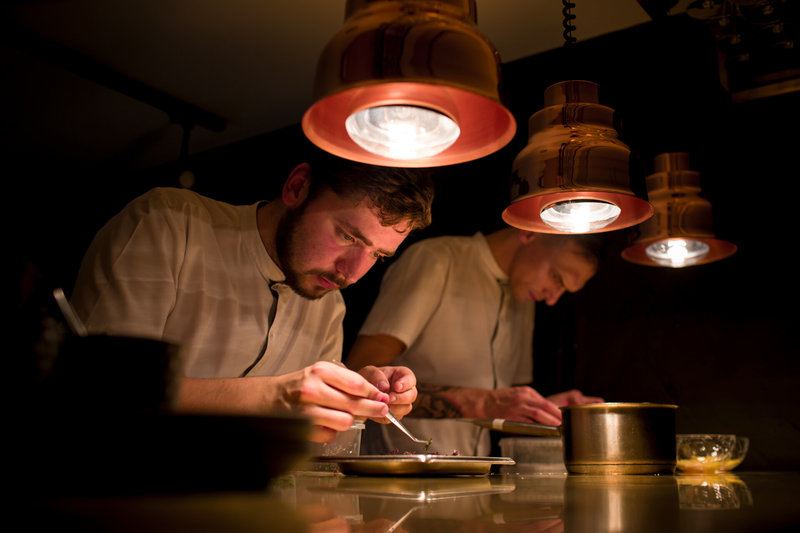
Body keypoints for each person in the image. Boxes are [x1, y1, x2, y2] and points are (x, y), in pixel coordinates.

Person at [69, 149, 435, 443]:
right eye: (348, 237)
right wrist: (279, 395)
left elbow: (309, 441)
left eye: (376, 255)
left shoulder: (329, 307)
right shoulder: (169, 223)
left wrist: (352, 399)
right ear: (297, 187)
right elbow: (99, 393)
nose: (351, 273)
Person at [346, 227, 605, 456]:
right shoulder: (438, 260)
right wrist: (483, 403)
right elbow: (359, 376)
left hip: (473, 475)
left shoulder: (524, 294)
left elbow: (501, 401)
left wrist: (543, 408)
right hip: (396, 476)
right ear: (529, 232)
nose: (552, 299)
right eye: (556, 277)